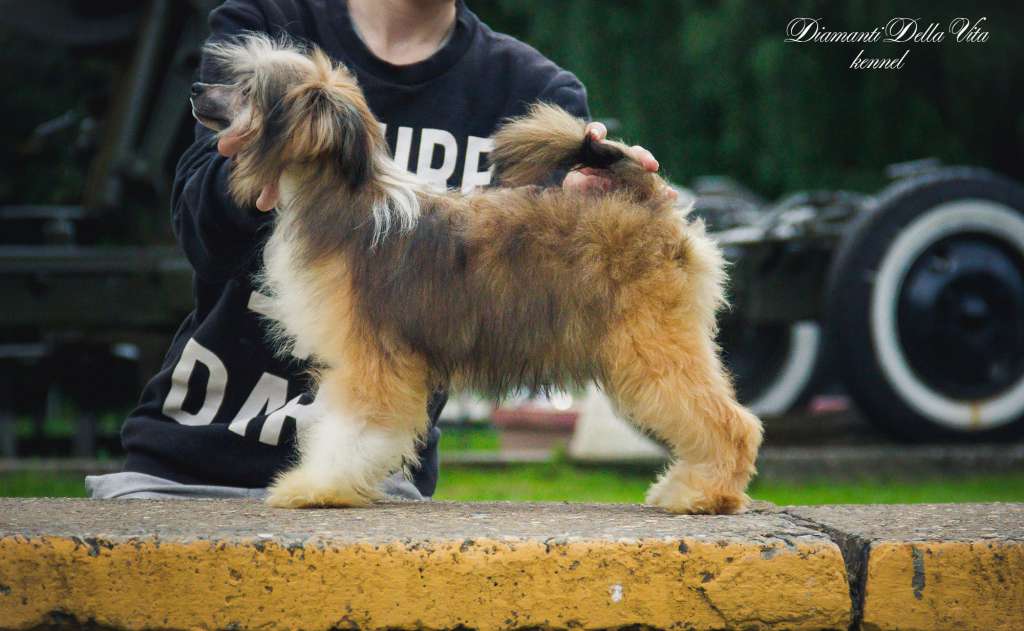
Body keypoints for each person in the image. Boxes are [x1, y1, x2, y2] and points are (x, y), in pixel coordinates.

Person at [86, 0, 665, 500]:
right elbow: (199, 233)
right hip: (191, 454)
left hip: (374, 473)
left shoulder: (533, 93)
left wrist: (586, 210)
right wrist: (265, 171)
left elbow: (530, 284)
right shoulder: (269, 27)